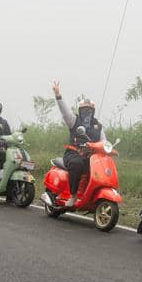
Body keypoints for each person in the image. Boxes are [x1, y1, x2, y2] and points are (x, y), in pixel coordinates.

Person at [52, 80, 104, 210]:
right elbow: (65, 112)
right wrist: (58, 95)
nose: (87, 112)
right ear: (80, 110)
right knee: (77, 164)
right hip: (74, 153)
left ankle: (93, 196)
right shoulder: (74, 121)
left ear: (93, 111)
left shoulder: (98, 126)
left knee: (102, 169)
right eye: (84, 110)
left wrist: (108, 147)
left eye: (89, 110)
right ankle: (73, 195)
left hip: (91, 156)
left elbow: (104, 141)